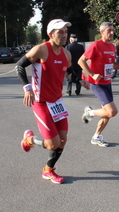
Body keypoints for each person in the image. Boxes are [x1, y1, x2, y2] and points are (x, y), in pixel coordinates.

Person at [17, 19, 89, 184]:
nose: (64, 35)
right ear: (50, 34)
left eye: (65, 32)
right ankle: (29, 140)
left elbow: (68, 72)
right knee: (52, 143)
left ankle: (48, 170)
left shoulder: (67, 54)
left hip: (57, 103)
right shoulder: (41, 50)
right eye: (60, 32)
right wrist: (27, 88)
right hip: (40, 102)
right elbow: (20, 66)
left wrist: (80, 81)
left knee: (62, 140)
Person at [78, 22, 119, 147]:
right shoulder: (96, 45)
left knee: (106, 113)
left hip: (107, 82)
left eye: (112, 30)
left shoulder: (112, 47)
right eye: (108, 30)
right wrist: (92, 74)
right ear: (102, 32)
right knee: (112, 112)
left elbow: (111, 66)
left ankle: (96, 136)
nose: (111, 32)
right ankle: (90, 112)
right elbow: (81, 61)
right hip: (97, 83)